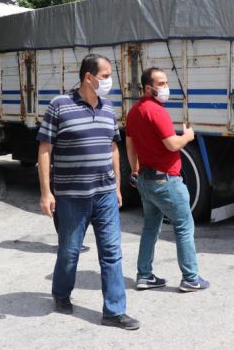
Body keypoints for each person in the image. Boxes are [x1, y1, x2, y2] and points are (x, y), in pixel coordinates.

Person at [37, 54, 139, 330]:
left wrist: (117, 186)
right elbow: (45, 150)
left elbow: (113, 147)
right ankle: (61, 293)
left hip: (105, 194)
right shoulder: (60, 106)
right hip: (71, 196)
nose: (110, 81)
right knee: (69, 252)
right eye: (105, 76)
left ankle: (114, 311)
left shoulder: (108, 108)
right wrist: (46, 192)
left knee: (112, 252)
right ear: (88, 77)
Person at [125, 67, 210, 292]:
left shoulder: (134, 112)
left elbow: (130, 145)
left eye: (166, 82)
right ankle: (191, 278)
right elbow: (172, 144)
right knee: (184, 227)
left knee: (150, 228)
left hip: (146, 180)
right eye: (160, 83)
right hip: (166, 181)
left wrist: (134, 170)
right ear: (148, 88)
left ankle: (144, 275)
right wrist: (188, 136)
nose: (165, 87)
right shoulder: (157, 111)